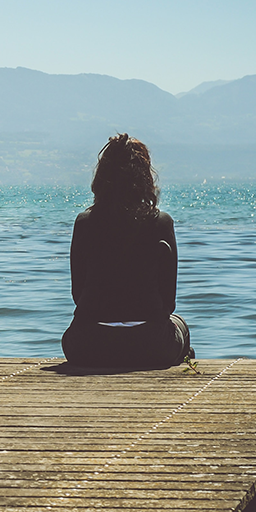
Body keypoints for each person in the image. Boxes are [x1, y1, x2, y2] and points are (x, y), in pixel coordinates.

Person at [61, 133, 192, 368]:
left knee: (72, 333)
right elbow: (168, 303)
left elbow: (78, 295)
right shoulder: (161, 223)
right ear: (145, 179)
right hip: (152, 346)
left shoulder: (84, 223)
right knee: (179, 323)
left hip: (88, 345)